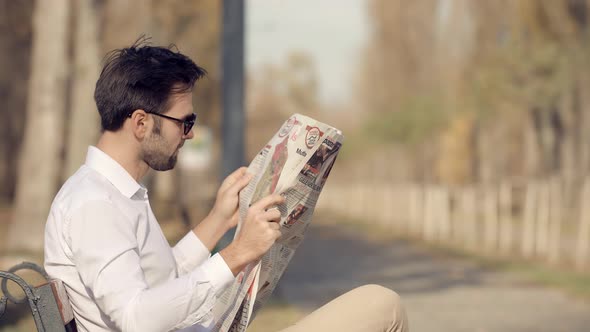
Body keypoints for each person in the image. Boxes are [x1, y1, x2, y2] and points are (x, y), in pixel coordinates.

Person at [44, 41, 408, 332]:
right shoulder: (95, 204)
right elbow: (136, 319)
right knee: (382, 305)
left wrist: (219, 219)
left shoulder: (112, 194)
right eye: (184, 122)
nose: (188, 134)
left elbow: (160, 279)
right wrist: (236, 255)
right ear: (141, 123)